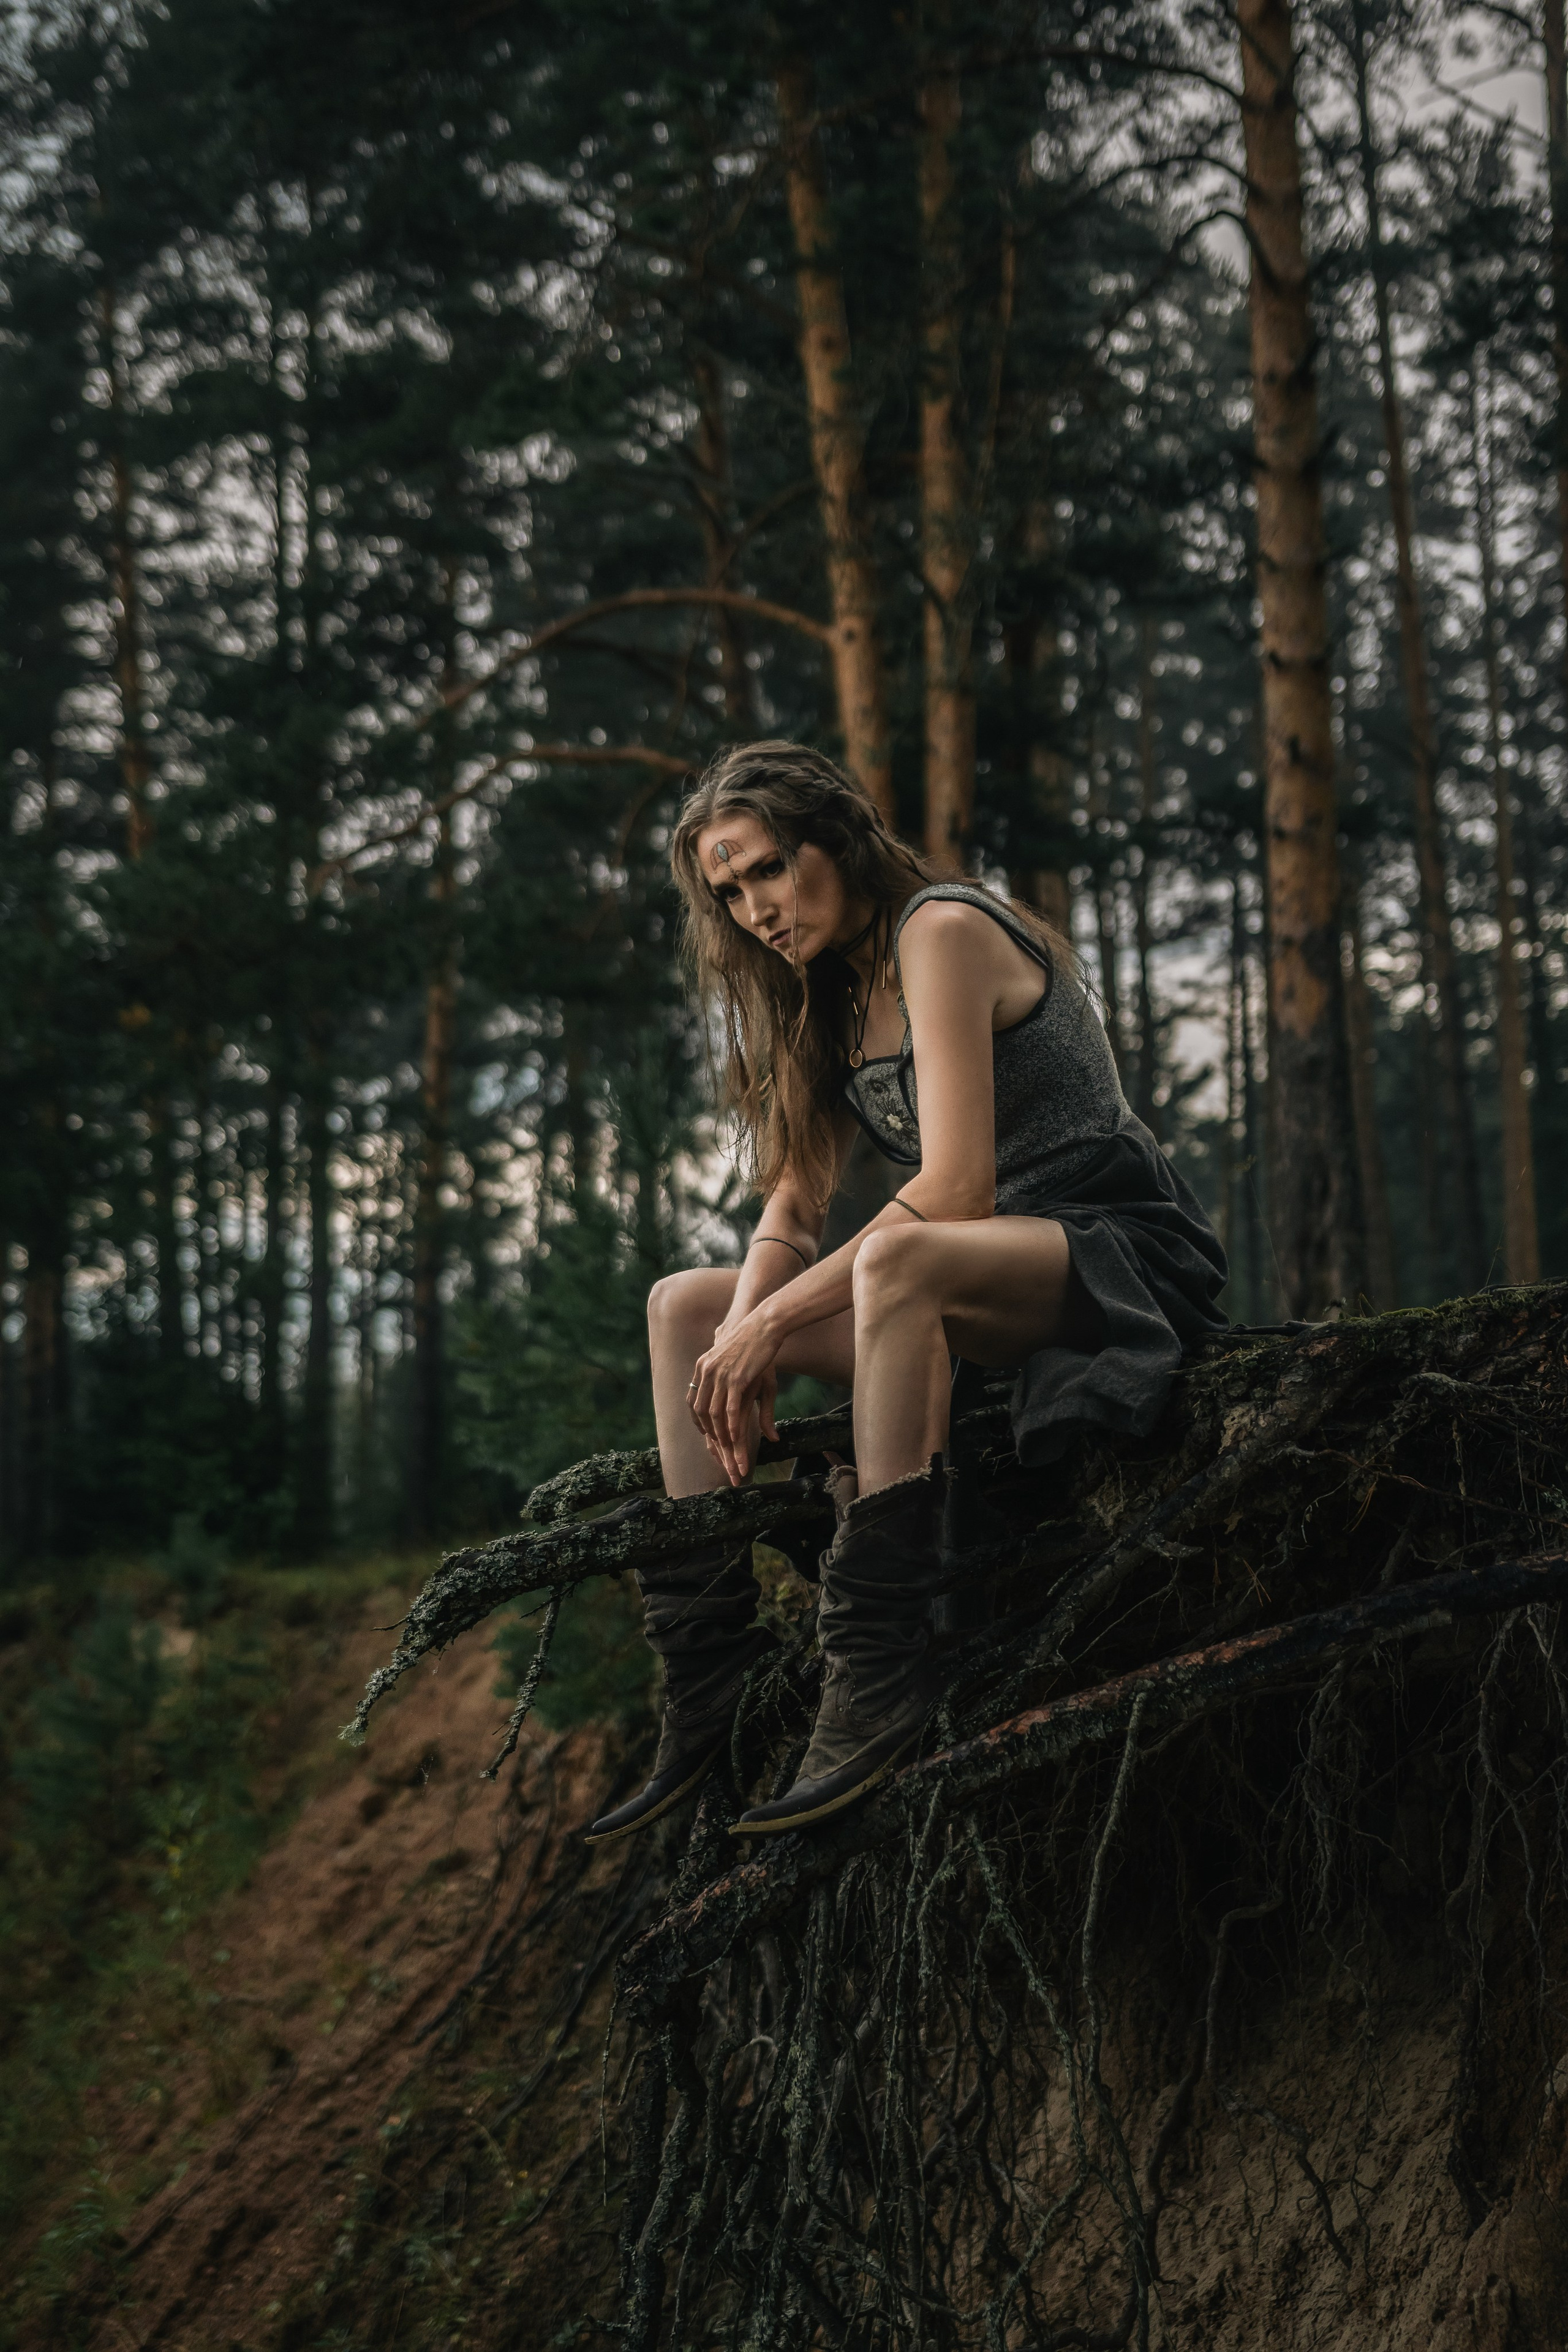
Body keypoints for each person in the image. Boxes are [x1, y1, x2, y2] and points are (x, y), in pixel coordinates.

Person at [584, 741, 1227, 1845]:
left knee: (890, 1260)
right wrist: (738, 1336)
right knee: (684, 1306)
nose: (755, 909)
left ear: (831, 837)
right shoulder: (823, 995)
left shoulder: (944, 929)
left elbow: (957, 1188)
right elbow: (790, 1213)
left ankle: (881, 1669)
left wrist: (776, 1329)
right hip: (972, 1273)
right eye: (728, 892)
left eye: (767, 870)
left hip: (1112, 1253)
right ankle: (706, 1681)